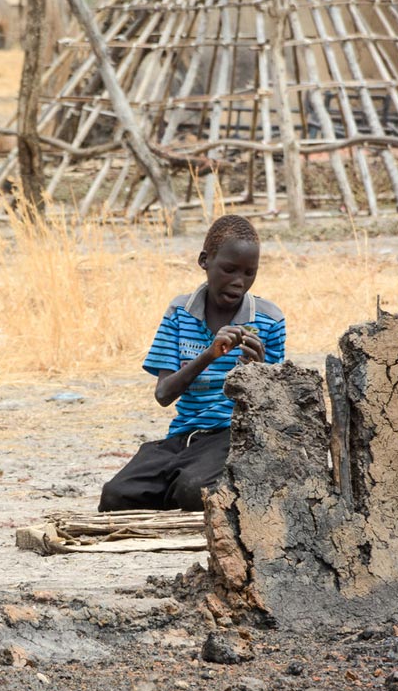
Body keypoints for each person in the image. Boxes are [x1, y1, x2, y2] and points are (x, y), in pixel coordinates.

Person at [98, 214, 285, 513]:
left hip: (231, 435)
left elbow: (275, 409)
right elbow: (163, 395)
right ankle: (183, 480)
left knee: (191, 491)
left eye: (250, 273)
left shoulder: (269, 320)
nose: (239, 282)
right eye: (229, 269)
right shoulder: (179, 313)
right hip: (183, 435)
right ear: (204, 261)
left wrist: (258, 373)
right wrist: (209, 355)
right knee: (115, 497)